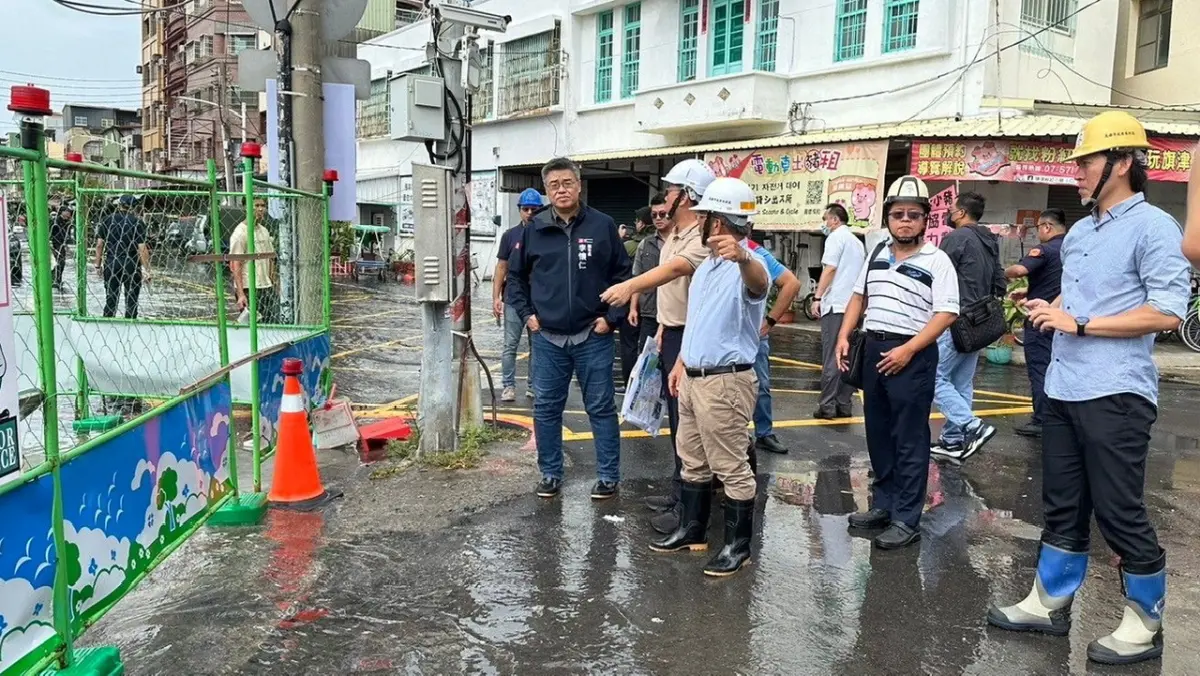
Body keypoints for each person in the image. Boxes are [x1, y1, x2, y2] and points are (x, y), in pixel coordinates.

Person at [987, 111, 1190, 666]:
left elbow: (1168, 312)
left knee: (1119, 510)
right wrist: (1052, 310)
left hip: (1116, 392)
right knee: (1062, 503)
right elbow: (1084, 306)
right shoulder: (1079, 231)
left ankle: (1146, 624)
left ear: (1123, 163)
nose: (1075, 172)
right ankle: (1048, 602)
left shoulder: (1154, 227)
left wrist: (1080, 325)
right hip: (1064, 385)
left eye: (1086, 162)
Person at [649, 177, 769, 578]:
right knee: (692, 459)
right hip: (695, 377)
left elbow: (760, 284)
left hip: (725, 382)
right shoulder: (706, 269)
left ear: (717, 222)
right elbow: (696, 322)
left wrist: (742, 258)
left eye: (704, 215)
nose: (699, 221)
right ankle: (692, 530)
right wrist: (682, 361)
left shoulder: (747, 264)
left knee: (731, 466)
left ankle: (738, 547)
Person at [835, 175, 959, 549]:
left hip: (912, 354)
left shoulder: (938, 261)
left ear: (925, 220)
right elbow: (858, 296)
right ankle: (884, 506)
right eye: (898, 214)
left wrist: (909, 350)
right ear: (888, 218)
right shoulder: (876, 254)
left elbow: (946, 313)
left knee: (910, 439)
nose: (905, 221)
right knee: (878, 434)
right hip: (873, 350)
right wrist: (844, 334)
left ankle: (907, 518)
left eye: (914, 214)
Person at [599, 159, 716, 534]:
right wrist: (664, 327)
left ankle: (691, 507)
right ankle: (681, 488)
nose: (666, 196)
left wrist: (630, 288)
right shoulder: (676, 234)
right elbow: (674, 291)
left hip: (693, 336)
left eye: (671, 190)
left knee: (690, 425)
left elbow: (674, 272)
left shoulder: (701, 236)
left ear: (687, 196)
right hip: (674, 332)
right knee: (679, 422)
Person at [507, 157, 632, 501]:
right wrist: (528, 315)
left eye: (567, 183)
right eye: (554, 185)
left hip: (593, 335)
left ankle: (608, 476)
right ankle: (549, 473)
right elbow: (515, 279)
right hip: (547, 337)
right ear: (547, 190)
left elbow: (623, 277)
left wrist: (611, 318)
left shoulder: (602, 225)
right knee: (546, 407)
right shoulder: (533, 229)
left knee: (601, 407)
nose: (561, 190)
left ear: (579, 185)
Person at [929, 191, 1005, 462]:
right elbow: (1000, 281)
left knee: (934, 377)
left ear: (961, 212)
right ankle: (952, 441)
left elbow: (935, 274)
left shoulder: (956, 238)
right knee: (961, 381)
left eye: (952, 209)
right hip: (981, 321)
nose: (949, 213)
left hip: (956, 319)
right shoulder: (989, 239)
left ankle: (973, 426)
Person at [1004, 208, 1068, 438]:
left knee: (1040, 369)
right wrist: (1028, 289)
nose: (1038, 232)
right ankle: (1058, 418)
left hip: (1041, 320)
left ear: (1047, 227)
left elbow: (1020, 269)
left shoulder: (1045, 249)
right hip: (1065, 320)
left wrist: (1005, 271)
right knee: (1058, 369)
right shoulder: (1072, 248)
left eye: (1038, 227)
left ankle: (1041, 420)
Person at [745, 224, 802, 454]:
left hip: (752, 334)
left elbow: (792, 283)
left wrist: (769, 321)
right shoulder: (706, 250)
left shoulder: (756, 252)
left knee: (760, 384)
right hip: (719, 336)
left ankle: (764, 433)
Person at [812, 203, 865, 419]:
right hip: (854, 306)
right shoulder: (857, 242)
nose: (825, 224)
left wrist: (817, 297)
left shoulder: (835, 238)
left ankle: (827, 405)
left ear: (834, 220)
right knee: (849, 356)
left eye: (826, 219)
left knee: (833, 355)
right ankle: (844, 403)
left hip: (836, 304)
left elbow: (830, 268)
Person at [493, 188, 542, 402]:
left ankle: (533, 386)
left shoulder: (546, 234)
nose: (530, 213)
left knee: (538, 346)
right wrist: (495, 297)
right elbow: (501, 267)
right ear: (519, 210)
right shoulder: (510, 236)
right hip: (513, 298)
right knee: (510, 345)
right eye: (526, 209)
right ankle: (508, 386)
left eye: (534, 209)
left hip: (539, 300)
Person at [616, 206, 655, 390]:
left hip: (633, 301)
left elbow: (614, 259)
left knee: (629, 346)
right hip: (652, 305)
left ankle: (630, 384)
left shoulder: (632, 245)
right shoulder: (664, 242)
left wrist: (619, 238)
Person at [95, 194, 151, 319]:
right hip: (131, 262)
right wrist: (146, 270)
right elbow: (142, 248)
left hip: (112, 261)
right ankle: (130, 324)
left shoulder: (107, 220)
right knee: (131, 298)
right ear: (134, 207)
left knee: (111, 297)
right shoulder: (138, 223)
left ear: (119, 205)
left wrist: (97, 266)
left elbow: (99, 245)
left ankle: (108, 323)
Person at [628, 195, 668, 353]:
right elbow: (637, 279)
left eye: (663, 214)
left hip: (674, 316)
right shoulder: (645, 244)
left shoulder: (682, 243)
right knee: (646, 361)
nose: (658, 218)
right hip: (649, 313)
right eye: (654, 215)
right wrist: (633, 308)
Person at [230, 197, 279, 324]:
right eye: (256, 205)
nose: (260, 209)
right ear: (246, 208)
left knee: (271, 323)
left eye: (263, 205)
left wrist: (273, 284)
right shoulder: (240, 233)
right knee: (253, 324)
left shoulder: (264, 231)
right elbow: (235, 264)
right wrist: (240, 294)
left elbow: (270, 259)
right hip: (249, 287)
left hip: (265, 286)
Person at [51, 203, 73, 292]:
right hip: (54, 244)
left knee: (61, 262)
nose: (69, 214)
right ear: (62, 212)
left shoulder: (66, 222)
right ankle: (54, 279)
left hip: (61, 244)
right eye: (67, 211)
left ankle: (58, 279)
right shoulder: (55, 221)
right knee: (57, 262)